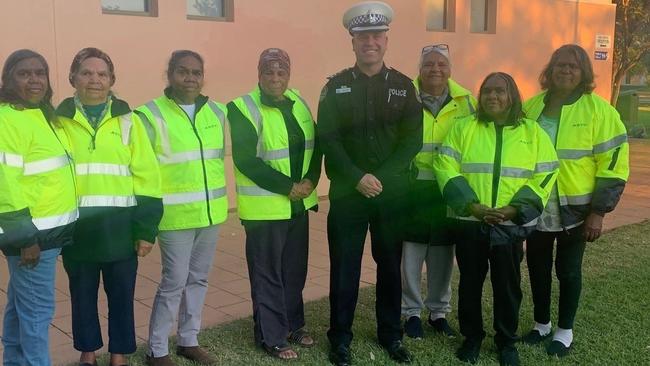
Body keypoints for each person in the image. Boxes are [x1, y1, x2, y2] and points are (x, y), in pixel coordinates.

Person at [317, 2, 423, 364]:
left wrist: (380, 177)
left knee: (390, 267)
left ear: (386, 40)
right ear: (353, 42)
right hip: (348, 193)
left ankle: (390, 335)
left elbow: (412, 142)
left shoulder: (405, 87)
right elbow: (328, 138)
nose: (370, 43)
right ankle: (340, 338)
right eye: (363, 37)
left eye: (377, 36)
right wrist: (357, 177)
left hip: (391, 194)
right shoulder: (335, 87)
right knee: (344, 268)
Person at [434, 72, 559, 366]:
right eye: (487, 91)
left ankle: (506, 341)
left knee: (507, 285)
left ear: (512, 96)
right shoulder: (464, 127)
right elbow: (445, 165)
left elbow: (547, 172)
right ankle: (472, 338)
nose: (493, 96)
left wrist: (515, 209)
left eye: (500, 91)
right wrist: (471, 206)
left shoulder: (532, 132)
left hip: (510, 225)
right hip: (470, 223)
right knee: (470, 284)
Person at [56, 47, 163, 366]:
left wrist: (146, 230)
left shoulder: (130, 122)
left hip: (121, 229)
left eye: (102, 74)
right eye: (86, 73)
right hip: (77, 229)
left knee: (121, 299)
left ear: (112, 80)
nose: (94, 80)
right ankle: (87, 354)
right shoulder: (58, 123)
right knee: (82, 298)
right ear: (72, 78)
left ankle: (119, 356)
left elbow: (148, 177)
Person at [521, 44, 629, 357]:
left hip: (576, 209)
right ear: (550, 70)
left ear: (583, 73)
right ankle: (541, 324)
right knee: (537, 267)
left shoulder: (599, 110)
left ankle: (564, 330)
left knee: (568, 270)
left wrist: (599, 212)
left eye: (573, 66)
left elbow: (613, 162)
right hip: (537, 206)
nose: (566, 71)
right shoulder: (531, 107)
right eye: (560, 65)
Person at [228, 48, 321, 361]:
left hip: (298, 205)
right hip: (265, 210)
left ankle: (294, 324)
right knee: (267, 274)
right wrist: (287, 187)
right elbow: (245, 159)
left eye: (281, 72)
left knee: (294, 271)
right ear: (259, 73)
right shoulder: (242, 107)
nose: (275, 78)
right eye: (269, 72)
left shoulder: (299, 102)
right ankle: (272, 336)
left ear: (289, 74)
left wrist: (311, 180)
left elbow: (315, 144)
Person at [135, 50, 228, 366]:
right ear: (170, 74)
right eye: (183, 72)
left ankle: (189, 340)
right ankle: (157, 349)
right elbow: (142, 172)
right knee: (173, 281)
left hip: (211, 214)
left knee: (199, 278)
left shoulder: (216, 112)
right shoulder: (148, 115)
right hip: (174, 218)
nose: (190, 78)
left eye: (196, 72)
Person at [0, 49, 78, 366]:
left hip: (47, 232)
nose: (34, 79)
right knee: (37, 314)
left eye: (40, 72)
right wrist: (24, 238)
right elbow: (5, 181)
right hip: (33, 237)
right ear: (7, 79)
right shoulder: (8, 118)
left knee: (20, 308)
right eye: (24, 73)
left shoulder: (41, 115)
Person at [401, 44, 476, 340]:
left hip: (449, 188)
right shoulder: (405, 96)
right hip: (413, 187)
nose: (435, 69)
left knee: (443, 253)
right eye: (429, 64)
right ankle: (410, 313)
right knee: (411, 252)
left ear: (450, 69)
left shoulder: (467, 101)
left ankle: (438, 312)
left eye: (441, 64)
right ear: (419, 69)